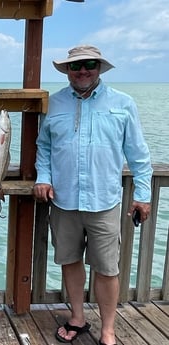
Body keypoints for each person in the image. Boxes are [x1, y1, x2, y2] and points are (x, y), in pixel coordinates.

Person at [33, 45, 152, 345]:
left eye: (89, 64)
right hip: (63, 201)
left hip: (105, 202)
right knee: (70, 261)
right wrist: (43, 178)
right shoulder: (55, 103)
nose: (83, 70)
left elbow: (139, 156)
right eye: (76, 66)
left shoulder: (123, 103)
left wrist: (143, 195)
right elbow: (44, 147)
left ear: (99, 68)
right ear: (67, 71)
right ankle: (77, 318)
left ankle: (108, 330)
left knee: (107, 268)